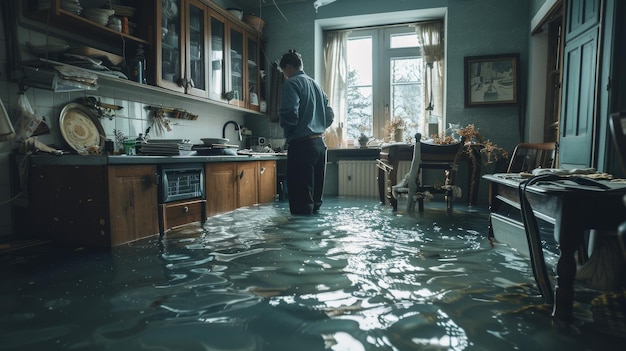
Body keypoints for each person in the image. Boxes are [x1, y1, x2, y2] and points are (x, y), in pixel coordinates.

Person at [278, 49, 334, 215]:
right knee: (315, 201)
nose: (285, 76)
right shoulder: (316, 85)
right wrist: (318, 126)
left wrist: (290, 134)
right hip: (320, 145)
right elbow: (329, 115)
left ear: (288, 67)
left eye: (283, 72)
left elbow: (289, 113)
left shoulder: (291, 83)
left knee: (301, 203)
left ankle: (299, 240)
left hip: (302, 145)